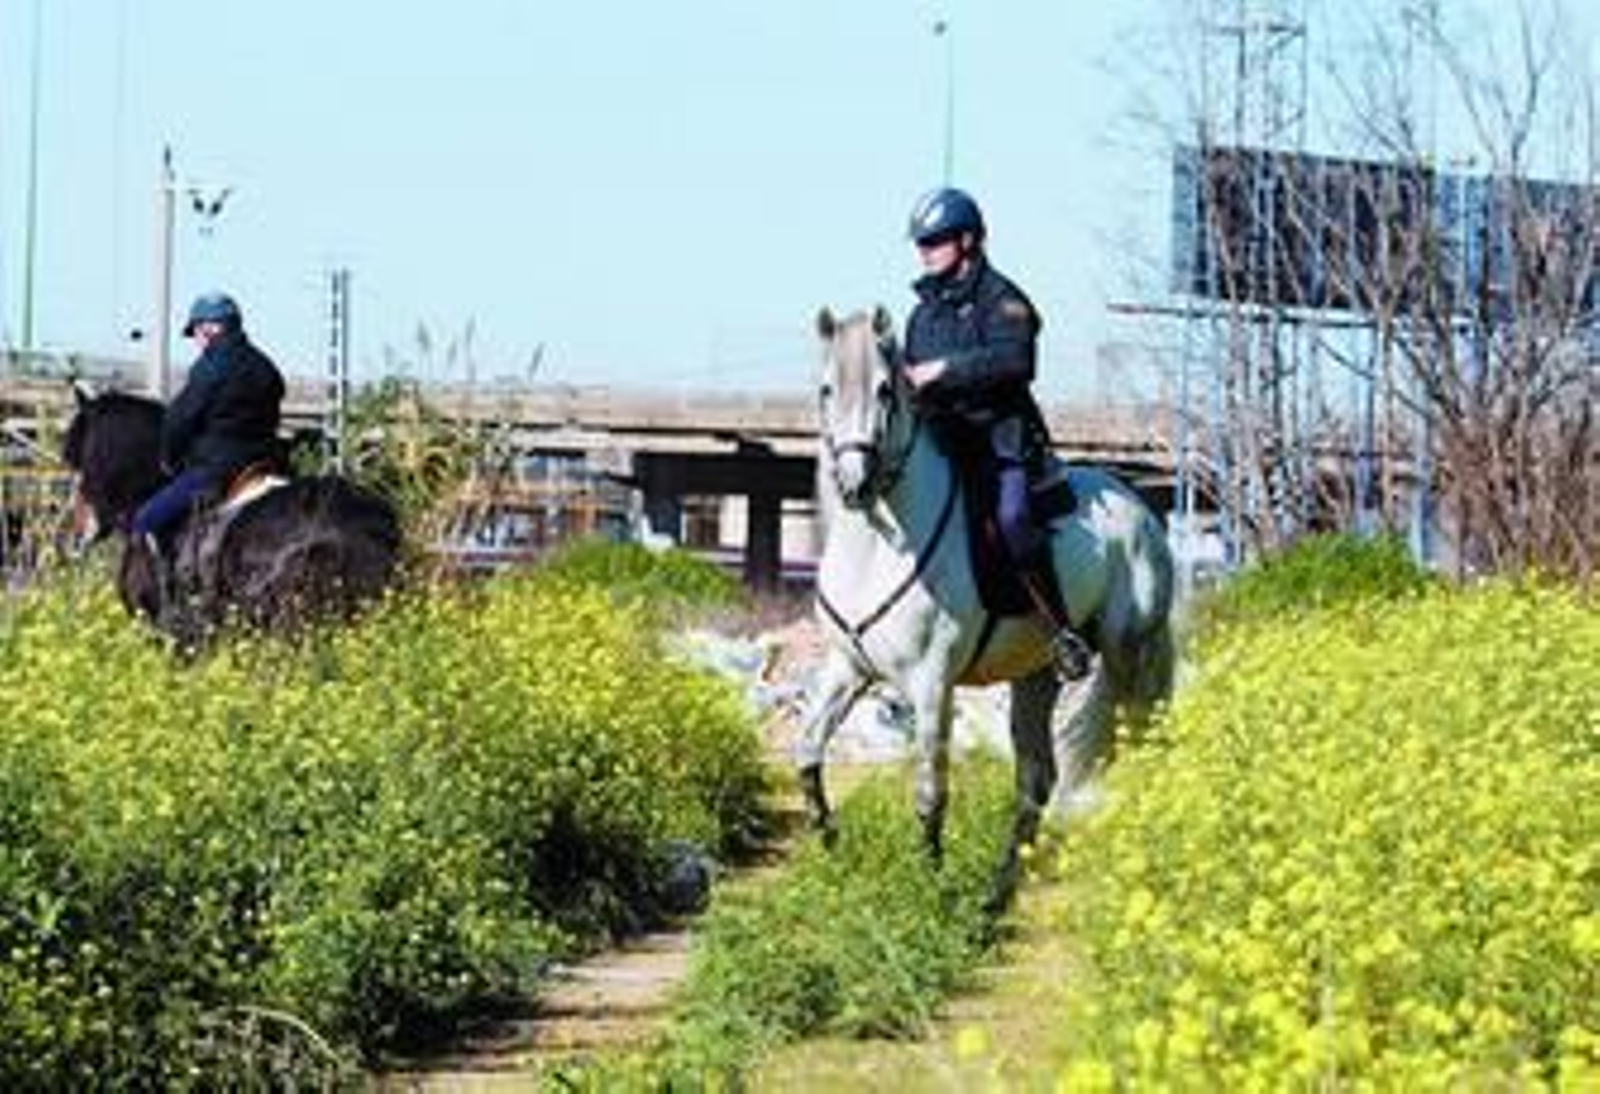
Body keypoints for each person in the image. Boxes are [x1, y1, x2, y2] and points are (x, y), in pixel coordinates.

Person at [900, 187, 1091, 681]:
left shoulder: (1005, 301)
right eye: (921, 242)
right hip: (943, 443)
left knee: (1012, 520)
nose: (925, 250)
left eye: (936, 240)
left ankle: (1061, 631)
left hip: (1000, 444)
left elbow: (1016, 362)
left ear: (967, 240)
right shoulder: (922, 312)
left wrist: (943, 370)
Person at [131, 291, 287, 562]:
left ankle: (168, 596)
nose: (197, 341)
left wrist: (169, 460)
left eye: (196, 333)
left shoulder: (210, 367)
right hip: (267, 466)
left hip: (217, 472)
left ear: (210, 328)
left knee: (145, 520)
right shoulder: (267, 368)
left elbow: (179, 421)